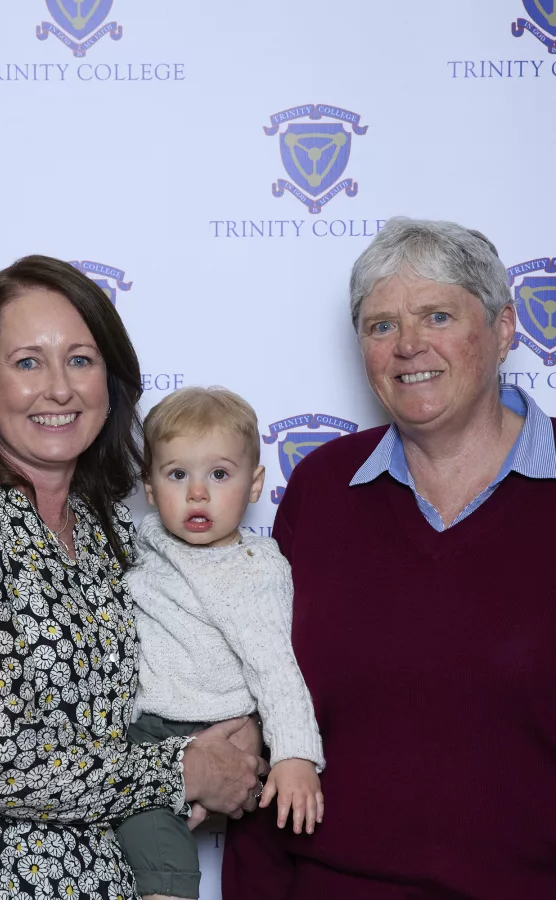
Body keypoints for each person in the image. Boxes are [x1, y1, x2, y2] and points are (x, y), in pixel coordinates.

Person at [0, 255, 263, 900]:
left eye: (80, 360)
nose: (59, 389)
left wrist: (234, 732)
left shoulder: (109, 527)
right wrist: (183, 771)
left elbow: (162, 683)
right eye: (28, 362)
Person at [222, 217, 556, 899]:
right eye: (380, 327)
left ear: (503, 329)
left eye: (437, 315)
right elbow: (270, 711)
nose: (408, 345)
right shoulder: (321, 487)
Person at [116, 387, 325, 900]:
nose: (197, 494)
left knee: (166, 865)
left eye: (219, 474)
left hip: (220, 729)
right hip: (145, 734)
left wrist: (296, 756)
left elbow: (277, 669)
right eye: (177, 475)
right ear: (148, 486)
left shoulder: (255, 571)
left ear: (255, 485)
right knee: (142, 848)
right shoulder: (145, 541)